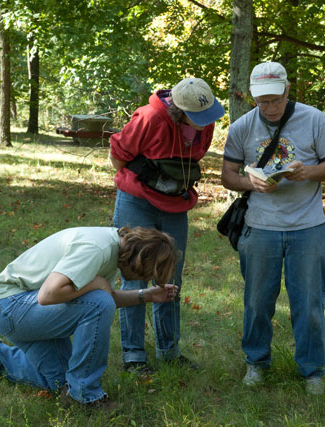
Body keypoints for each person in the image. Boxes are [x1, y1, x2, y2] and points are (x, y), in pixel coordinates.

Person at [0, 226, 181, 409]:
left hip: (20, 307)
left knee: (59, 381)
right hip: (8, 305)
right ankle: (85, 395)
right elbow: (49, 295)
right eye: (148, 274)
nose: (145, 279)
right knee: (100, 303)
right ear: (139, 259)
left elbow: (100, 296)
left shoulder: (114, 249)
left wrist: (147, 295)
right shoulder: (97, 248)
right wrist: (97, 284)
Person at [220, 62, 325, 394]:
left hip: (308, 226)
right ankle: (256, 363)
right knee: (257, 302)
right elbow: (227, 175)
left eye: (275, 100)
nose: (270, 108)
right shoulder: (242, 127)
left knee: (309, 302)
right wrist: (250, 182)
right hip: (260, 228)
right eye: (262, 102)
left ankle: (312, 370)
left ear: (288, 91)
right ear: (253, 99)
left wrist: (308, 173)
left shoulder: (314, 119)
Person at [109, 77, 225, 373]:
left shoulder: (206, 121)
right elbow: (118, 156)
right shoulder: (149, 118)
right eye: (197, 118)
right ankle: (134, 356)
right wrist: (143, 180)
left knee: (170, 279)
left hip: (175, 204)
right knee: (134, 276)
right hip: (137, 201)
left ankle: (169, 352)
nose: (205, 122)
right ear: (178, 110)